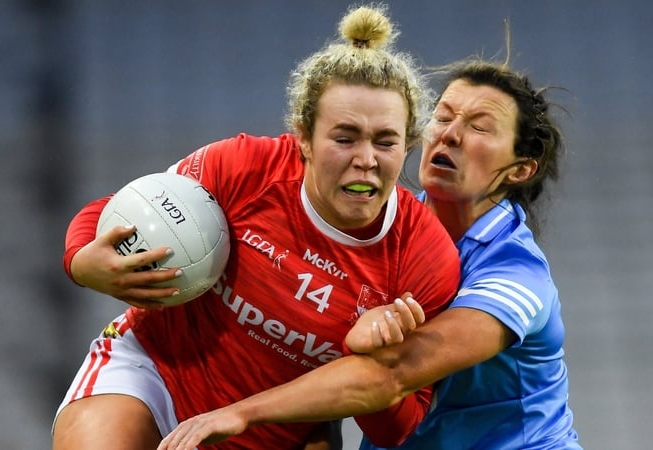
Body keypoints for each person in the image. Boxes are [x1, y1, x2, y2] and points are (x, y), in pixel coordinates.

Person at [52, 4, 462, 450]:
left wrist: (373, 355)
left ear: (409, 145)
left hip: (273, 434)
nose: (365, 159)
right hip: (151, 375)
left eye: (386, 141)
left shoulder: (425, 258)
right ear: (303, 137)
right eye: (343, 138)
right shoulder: (245, 168)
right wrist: (81, 261)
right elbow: (119, 209)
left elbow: (396, 428)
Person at [156, 50, 582, 450]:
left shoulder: (515, 275)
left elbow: (394, 371)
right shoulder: (382, 229)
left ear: (521, 169)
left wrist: (240, 414)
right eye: (444, 116)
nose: (449, 134)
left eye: (479, 127)